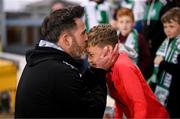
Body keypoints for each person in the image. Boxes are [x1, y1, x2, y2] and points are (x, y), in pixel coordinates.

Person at [15, 6, 119, 118]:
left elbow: (76, 90)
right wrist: (100, 71)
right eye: (83, 33)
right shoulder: (59, 72)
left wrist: (95, 68)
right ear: (66, 40)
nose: (87, 38)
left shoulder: (43, 61)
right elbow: (93, 113)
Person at [86, 24, 169, 118]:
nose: (89, 60)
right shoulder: (109, 67)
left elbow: (140, 104)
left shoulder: (123, 67)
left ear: (108, 50)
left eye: (91, 54)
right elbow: (119, 101)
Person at [150, 7, 180, 113]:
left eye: (171, 26)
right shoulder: (166, 41)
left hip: (175, 95)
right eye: (165, 26)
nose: (167, 30)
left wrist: (162, 63)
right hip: (162, 89)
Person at [116, 7, 153, 79]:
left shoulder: (139, 37)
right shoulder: (114, 38)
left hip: (134, 74)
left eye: (128, 22)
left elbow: (146, 58)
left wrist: (138, 71)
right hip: (118, 75)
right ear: (117, 24)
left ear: (133, 23)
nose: (124, 25)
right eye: (121, 22)